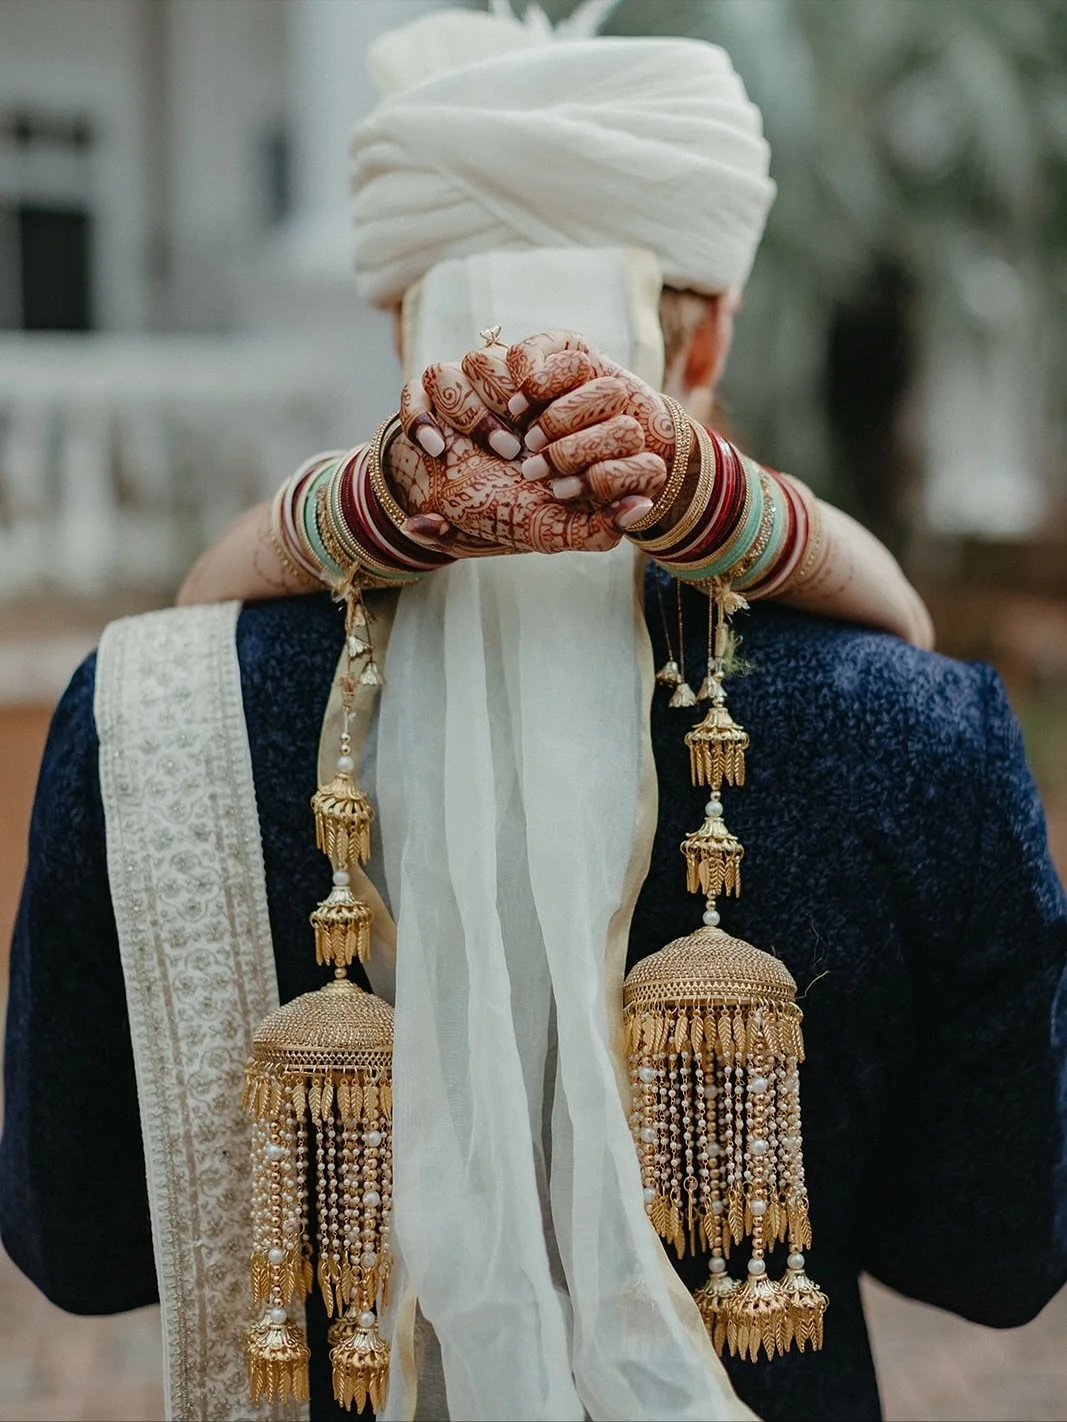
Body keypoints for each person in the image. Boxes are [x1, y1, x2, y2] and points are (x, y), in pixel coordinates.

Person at [2, 10, 1065, 1422]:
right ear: (713, 323)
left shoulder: (145, 710)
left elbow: (76, 1249)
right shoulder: (922, 725)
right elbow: (997, 1258)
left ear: (401, 320)